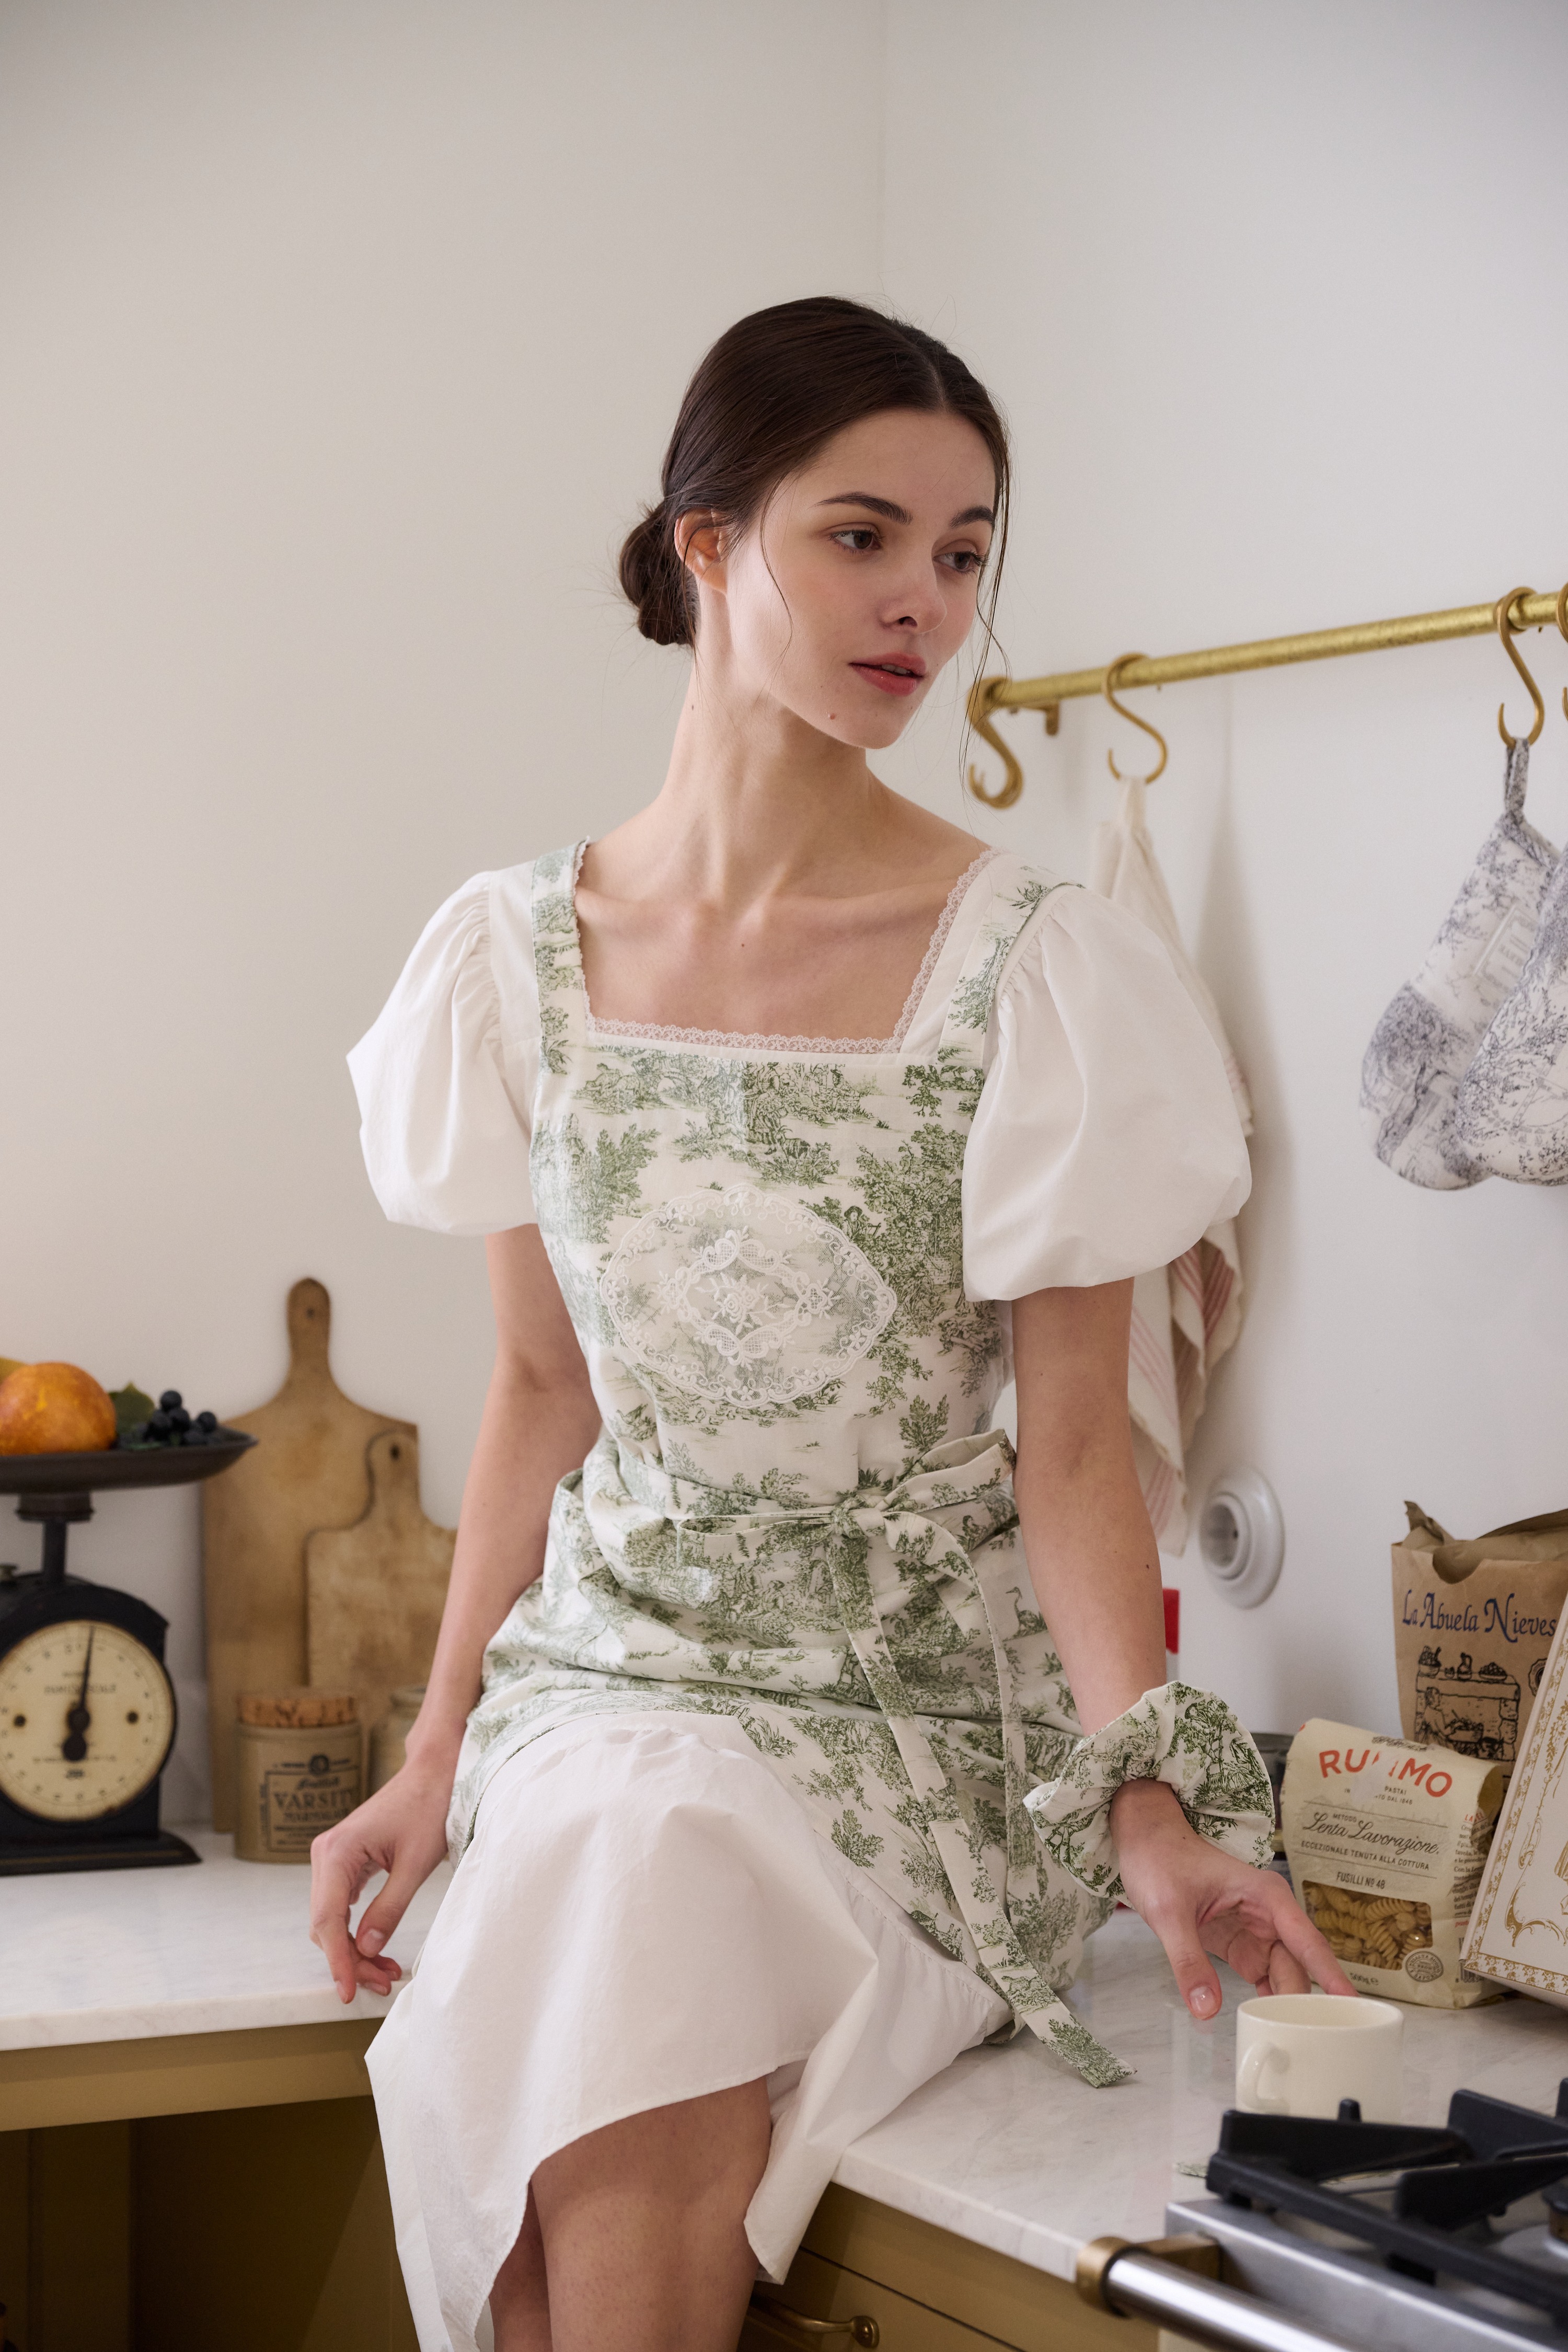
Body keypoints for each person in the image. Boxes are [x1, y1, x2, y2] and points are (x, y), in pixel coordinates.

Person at [313, 296, 1350, 2352]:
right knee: (619, 1865)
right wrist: (431, 1757)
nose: (924, 605)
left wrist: (1145, 1806)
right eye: (861, 536)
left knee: (636, 1895)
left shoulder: (1034, 970)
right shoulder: (512, 957)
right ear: (705, 542)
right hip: (607, 1692)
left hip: (910, 1719)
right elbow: (540, 1385)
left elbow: (1075, 1452)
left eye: (963, 553)